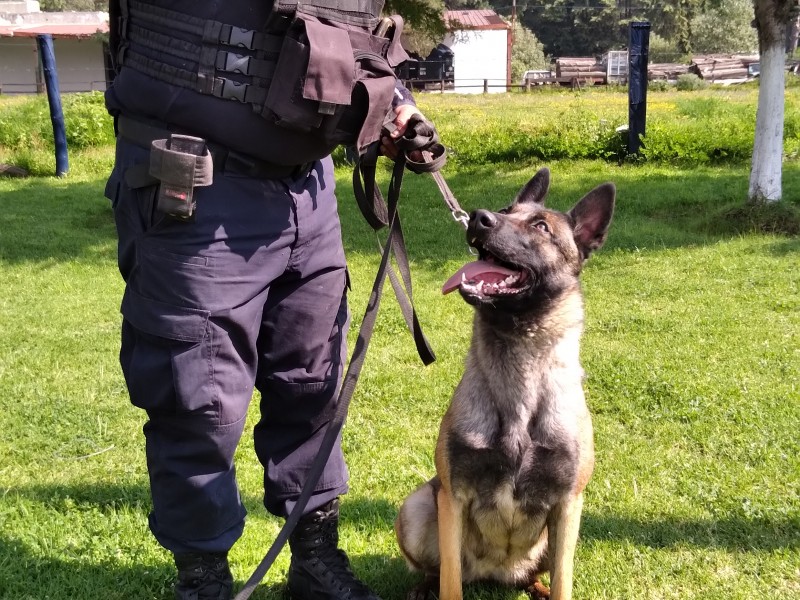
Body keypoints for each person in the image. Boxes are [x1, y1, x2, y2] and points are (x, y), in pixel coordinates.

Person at [103, 2, 435, 599]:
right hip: (197, 186)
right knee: (198, 402)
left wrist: (393, 102)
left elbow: (343, 32)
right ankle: (204, 581)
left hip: (309, 187)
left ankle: (313, 560)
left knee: (313, 384)